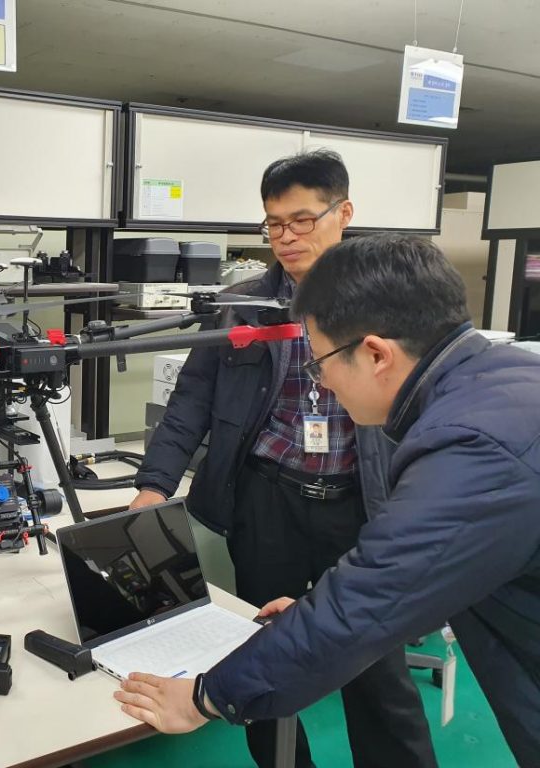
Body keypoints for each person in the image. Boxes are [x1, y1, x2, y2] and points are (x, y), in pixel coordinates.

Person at [115, 233, 540, 767]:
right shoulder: (507, 380)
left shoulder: (470, 448)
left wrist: (205, 697)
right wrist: (321, 612)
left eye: (320, 362)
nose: (321, 382)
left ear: (376, 354)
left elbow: (365, 607)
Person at [131, 151, 435, 767]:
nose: (286, 238)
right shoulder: (240, 307)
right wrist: (153, 487)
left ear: (343, 213)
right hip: (266, 502)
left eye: (301, 220)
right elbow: (189, 401)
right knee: (263, 657)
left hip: (360, 507)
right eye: (273, 224)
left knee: (377, 673)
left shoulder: (389, 304)